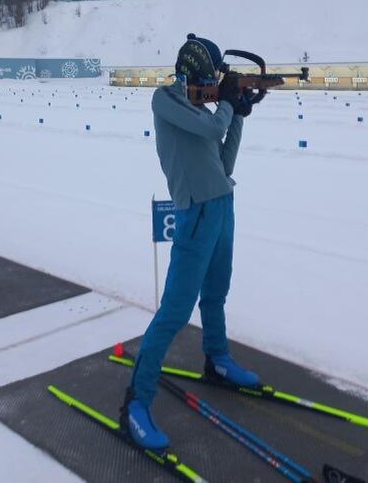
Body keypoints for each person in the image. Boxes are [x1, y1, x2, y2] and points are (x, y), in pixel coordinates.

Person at [121, 33, 263, 450]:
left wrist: (239, 113)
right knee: (175, 311)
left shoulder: (202, 109)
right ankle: (135, 403)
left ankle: (217, 360)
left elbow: (224, 164)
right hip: (196, 215)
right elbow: (214, 124)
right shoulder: (166, 101)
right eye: (213, 77)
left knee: (216, 294)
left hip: (222, 206)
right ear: (197, 71)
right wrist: (228, 105)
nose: (215, 85)